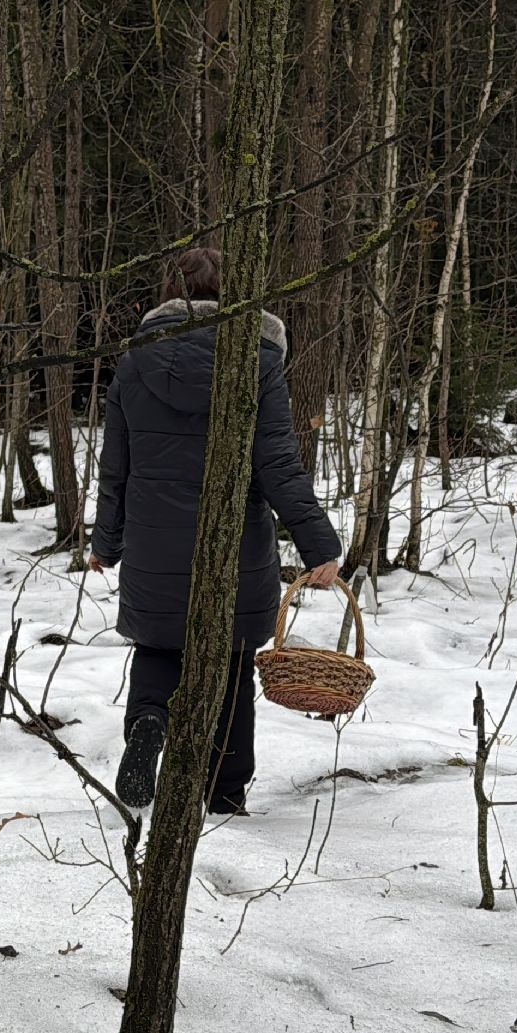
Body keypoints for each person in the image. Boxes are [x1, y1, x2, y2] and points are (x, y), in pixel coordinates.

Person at [88, 247, 343, 816]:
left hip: (153, 540)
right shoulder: (255, 360)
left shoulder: (135, 362)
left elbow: (116, 465)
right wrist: (318, 544)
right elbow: (277, 462)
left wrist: (107, 541)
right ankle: (225, 789)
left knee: (157, 647)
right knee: (229, 663)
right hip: (233, 544)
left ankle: (150, 720)